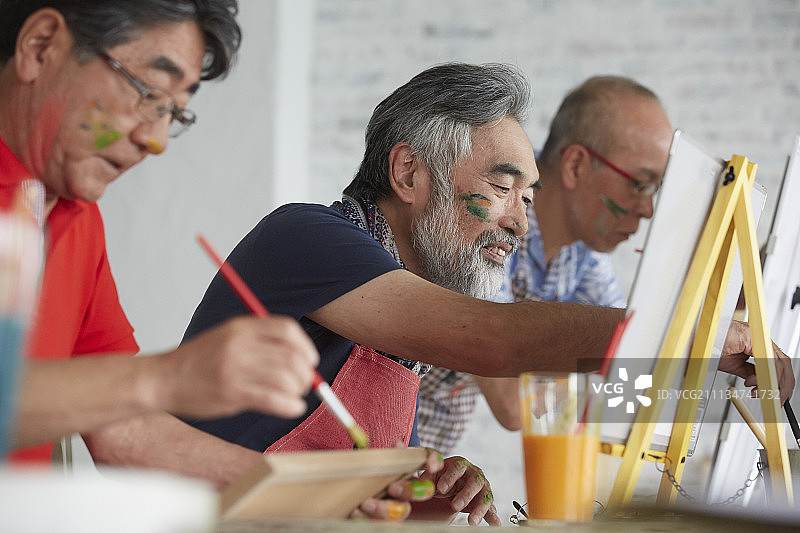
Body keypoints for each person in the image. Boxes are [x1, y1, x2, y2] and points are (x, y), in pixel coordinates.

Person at [182, 62, 794, 523]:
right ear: (408, 173)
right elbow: (497, 348)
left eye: (526, 199)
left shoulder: (561, 274)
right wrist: (692, 334)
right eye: (501, 190)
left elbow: (603, 405)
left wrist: (411, 488)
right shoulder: (309, 237)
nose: (518, 225)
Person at [0, 2, 467, 522]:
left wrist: (334, 494)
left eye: (173, 113)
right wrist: (168, 377)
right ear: (41, 45)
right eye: (148, 93)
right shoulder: (308, 233)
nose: (154, 140)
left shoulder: (75, 219)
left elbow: (126, 433)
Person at [416, 75, 673, 453]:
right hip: (364, 451)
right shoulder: (487, 221)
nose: (648, 209)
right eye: (640, 183)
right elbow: (512, 403)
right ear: (576, 167)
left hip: (426, 462)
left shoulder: (581, 254)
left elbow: (628, 372)